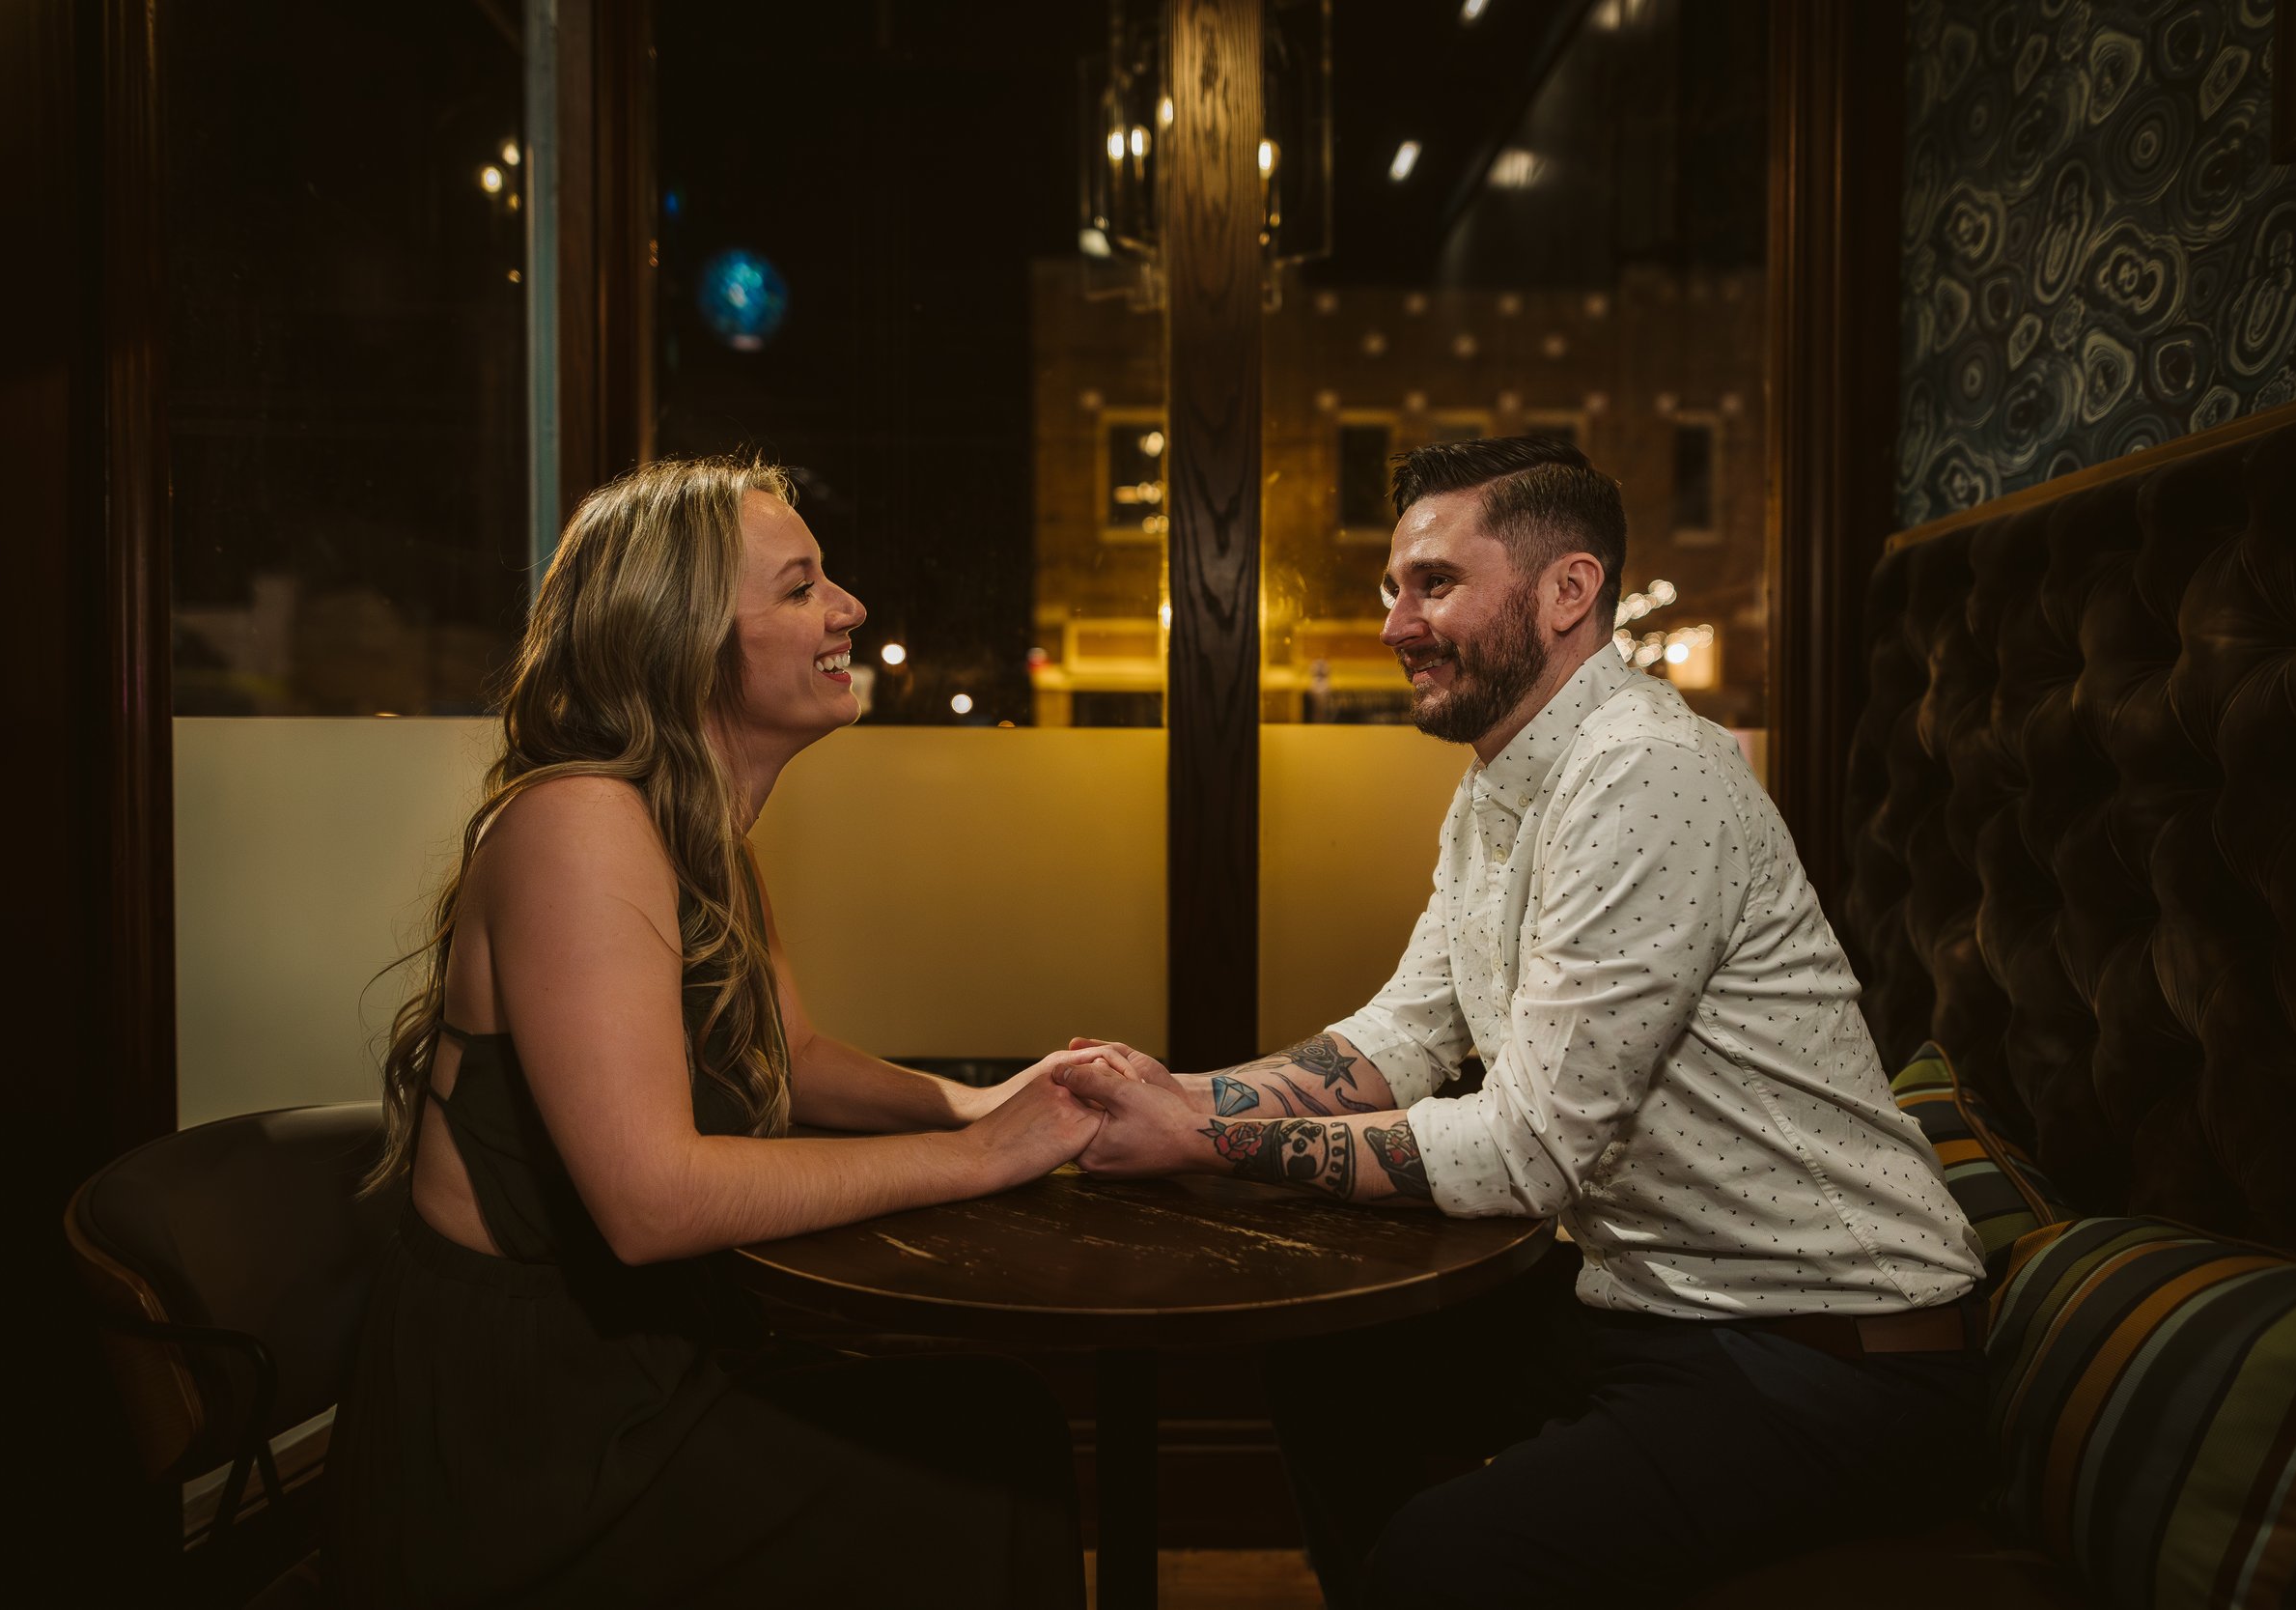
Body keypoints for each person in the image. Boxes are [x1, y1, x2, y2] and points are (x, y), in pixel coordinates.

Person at [1056, 436, 1988, 1608]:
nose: (1396, 624)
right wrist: (1181, 1093)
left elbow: (1526, 1148)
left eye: (1434, 583)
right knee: (1328, 1356)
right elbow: (1401, 1031)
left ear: (1567, 590)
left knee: (1448, 1560)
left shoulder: (1650, 772)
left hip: (1833, 1348)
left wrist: (1202, 1139)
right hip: (1657, 1302)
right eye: (1394, 587)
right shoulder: (1500, 787)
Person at [327, 457, 1099, 1609]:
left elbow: (792, 1056)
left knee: (998, 1413)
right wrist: (981, 1156)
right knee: (983, 1475)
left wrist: (987, 1101)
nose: (848, 608)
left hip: (640, 1364)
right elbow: (652, 1202)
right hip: (527, 1436)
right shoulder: (578, 822)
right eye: (800, 588)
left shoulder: (692, 826)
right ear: (681, 638)